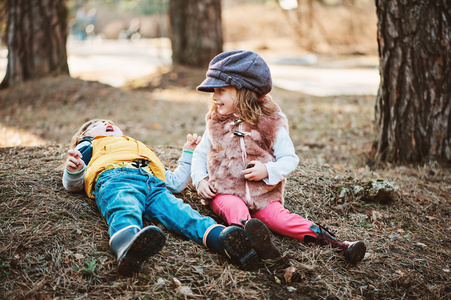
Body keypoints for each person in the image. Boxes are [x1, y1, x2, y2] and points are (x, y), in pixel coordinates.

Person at [191, 50, 367, 263]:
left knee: (284, 220)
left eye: (220, 90)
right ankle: (249, 240)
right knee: (235, 209)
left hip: (263, 194)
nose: (214, 97)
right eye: (214, 91)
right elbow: (200, 154)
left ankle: (340, 245)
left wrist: (268, 171)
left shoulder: (270, 122)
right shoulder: (216, 123)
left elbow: (289, 159)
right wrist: (200, 180)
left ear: (244, 91)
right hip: (225, 191)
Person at [62, 119, 259, 276]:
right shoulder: (89, 145)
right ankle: (126, 243)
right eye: (95, 124)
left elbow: (176, 183)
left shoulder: (141, 149)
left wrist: (189, 151)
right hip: (116, 178)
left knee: (182, 213)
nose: (106, 123)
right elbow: (73, 185)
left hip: (154, 184)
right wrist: (74, 170)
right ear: (84, 136)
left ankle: (220, 238)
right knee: (124, 205)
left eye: (108, 121)